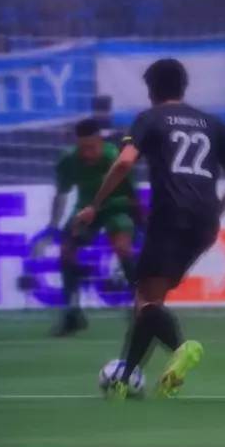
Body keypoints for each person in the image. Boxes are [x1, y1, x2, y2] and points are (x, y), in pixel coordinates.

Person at [74, 58, 225, 397]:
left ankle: (181, 348)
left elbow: (125, 162)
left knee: (145, 301)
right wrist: (216, 210)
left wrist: (95, 204)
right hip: (205, 222)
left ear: (152, 90)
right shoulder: (213, 122)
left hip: (170, 215)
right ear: (183, 86)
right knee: (150, 301)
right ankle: (125, 378)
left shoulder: (150, 118)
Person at [45, 117, 143, 336]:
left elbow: (132, 193)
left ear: (100, 141)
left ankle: (142, 308)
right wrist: (53, 225)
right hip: (86, 208)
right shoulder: (68, 160)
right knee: (66, 249)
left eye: (92, 147)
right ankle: (72, 313)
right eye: (83, 148)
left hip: (116, 205)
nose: (88, 153)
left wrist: (141, 222)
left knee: (122, 247)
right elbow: (61, 193)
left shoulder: (114, 156)